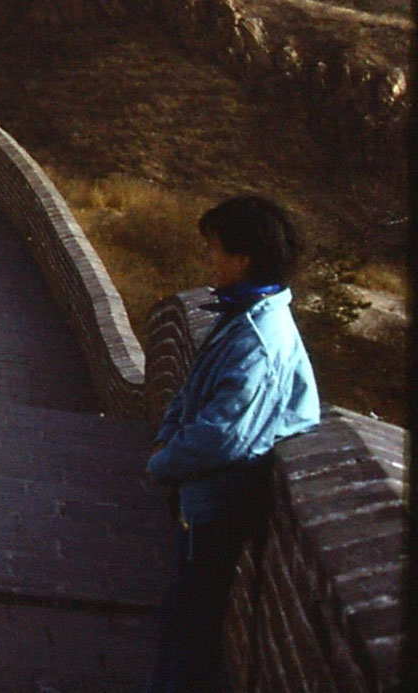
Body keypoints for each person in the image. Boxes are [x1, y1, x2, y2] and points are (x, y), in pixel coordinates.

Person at [145, 194, 320, 693]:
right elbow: (191, 391)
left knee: (190, 629)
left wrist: (163, 462)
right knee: (183, 621)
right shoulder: (240, 316)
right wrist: (166, 436)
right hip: (202, 498)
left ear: (241, 260)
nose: (208, 259)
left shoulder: (259, 340)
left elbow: (225, 434)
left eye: (214, 249)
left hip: (217, 508)